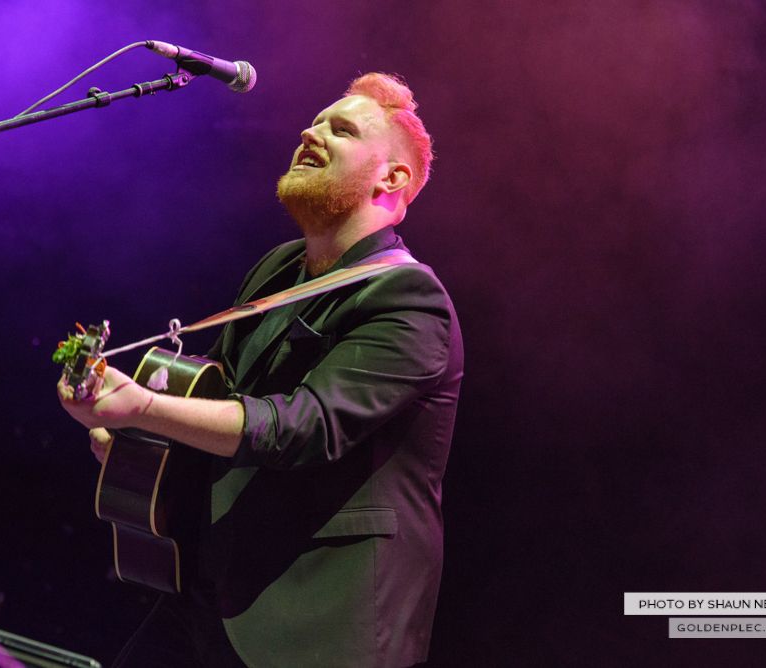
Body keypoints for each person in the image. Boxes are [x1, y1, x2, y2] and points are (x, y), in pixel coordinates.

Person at [59, 72, 463, 668]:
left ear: (392, 178)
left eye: (341, 129)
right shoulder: (279, 268)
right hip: (210, 589)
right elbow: (224, 397)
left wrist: (147, 407)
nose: (310, 131)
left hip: (316, 622)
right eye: (316, 120)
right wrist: (140, 443)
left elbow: (303, 427)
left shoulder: (409, 299)